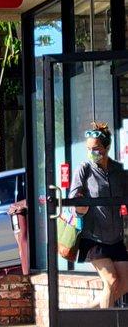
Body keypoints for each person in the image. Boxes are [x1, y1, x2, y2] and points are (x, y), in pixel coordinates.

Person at [70, 122, 128, 308]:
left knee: (124, 283)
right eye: (88, 148)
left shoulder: (119, 171)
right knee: (111, 282)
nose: (91, 152)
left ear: (106, 148)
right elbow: (73, 198)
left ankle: (87, 314)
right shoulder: (84, 169)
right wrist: (79, 204)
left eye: (95, 148)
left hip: (116, 237)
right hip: (93, 237)